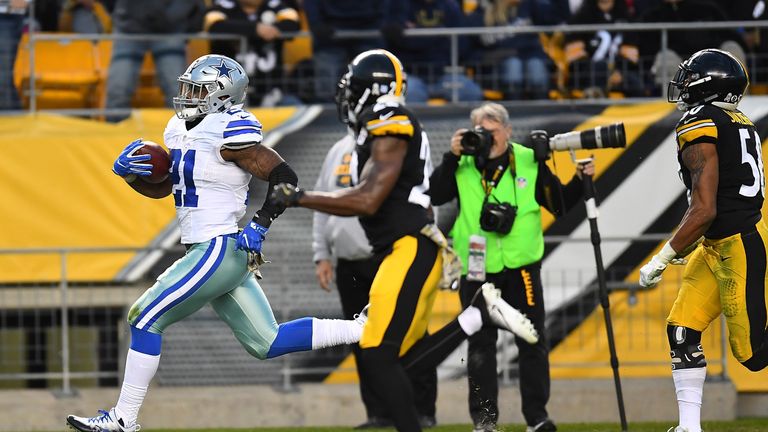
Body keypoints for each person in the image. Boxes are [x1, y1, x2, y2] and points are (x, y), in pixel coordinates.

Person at [65, 54, 367, 432]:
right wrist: (131, 177)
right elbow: (165, 189)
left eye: (198, 89)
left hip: (218, 248)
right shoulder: (178, 128)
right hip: (212, 250)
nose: (187, 95)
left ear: (222, 95)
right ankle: (364, 328)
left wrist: (260, 225)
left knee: (143, 317)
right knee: (266, 342)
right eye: (188, 87)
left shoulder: (231, 130)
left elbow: (284, 177)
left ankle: (124, 418)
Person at [271, 48, 539, 432]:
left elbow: (368, 198)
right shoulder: (379, 124)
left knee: (377, 355)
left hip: (408, 247)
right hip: (403, 247)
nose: (347, 96)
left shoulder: (390, 119)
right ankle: (477, 316)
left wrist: (298, 198)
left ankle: (477, 315)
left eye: (355, 88)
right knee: (400, 362)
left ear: (372, 90)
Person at [429, 102, 594, 432]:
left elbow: (558, 204)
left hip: (521, 267)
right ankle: (485, 421)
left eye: (491, 132)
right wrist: (451, 155)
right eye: (480, 132)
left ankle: (536, 417)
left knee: (532, 340)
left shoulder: (528, 158)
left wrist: (580, 179)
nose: (486, 140)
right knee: (480, 345)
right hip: (478, 269)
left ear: (506, 131)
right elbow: (435, 193)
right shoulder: (462, 161)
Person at [638, 48, 768, 432]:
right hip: (721, 241)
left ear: (705, 83)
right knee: (682, 329)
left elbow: (705, 208)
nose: (682, 84)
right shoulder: (737, 119)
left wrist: (661, 257)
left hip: (736, 244)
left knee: (753, 355)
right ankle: (689, 427)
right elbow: (712, 201)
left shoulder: (700, 121)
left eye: (688, 76)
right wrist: (691, 241)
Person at [312, 130, 438, 429]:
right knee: (362, 340)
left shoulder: (395, 143)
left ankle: (422, 409)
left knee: (409, 334)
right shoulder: (338, 149)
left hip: (391, 255)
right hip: (350, 262)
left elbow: (425, 196)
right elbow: (323, 200)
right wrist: (322, 254)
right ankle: (378, 412)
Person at [104, 0, 206, 122]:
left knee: (177, 91)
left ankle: (180, 133)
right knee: (119, 89)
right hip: (133, 28)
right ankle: (116, 132)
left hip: (166, 28)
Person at [204, 0, 302, 107]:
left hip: (271, 87)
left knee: (294, 106)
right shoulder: (222, 5)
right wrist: (255, 29)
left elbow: (294, 22)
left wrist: (274, 29)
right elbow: (214, 25)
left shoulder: (275, 4)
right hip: (229, 91)